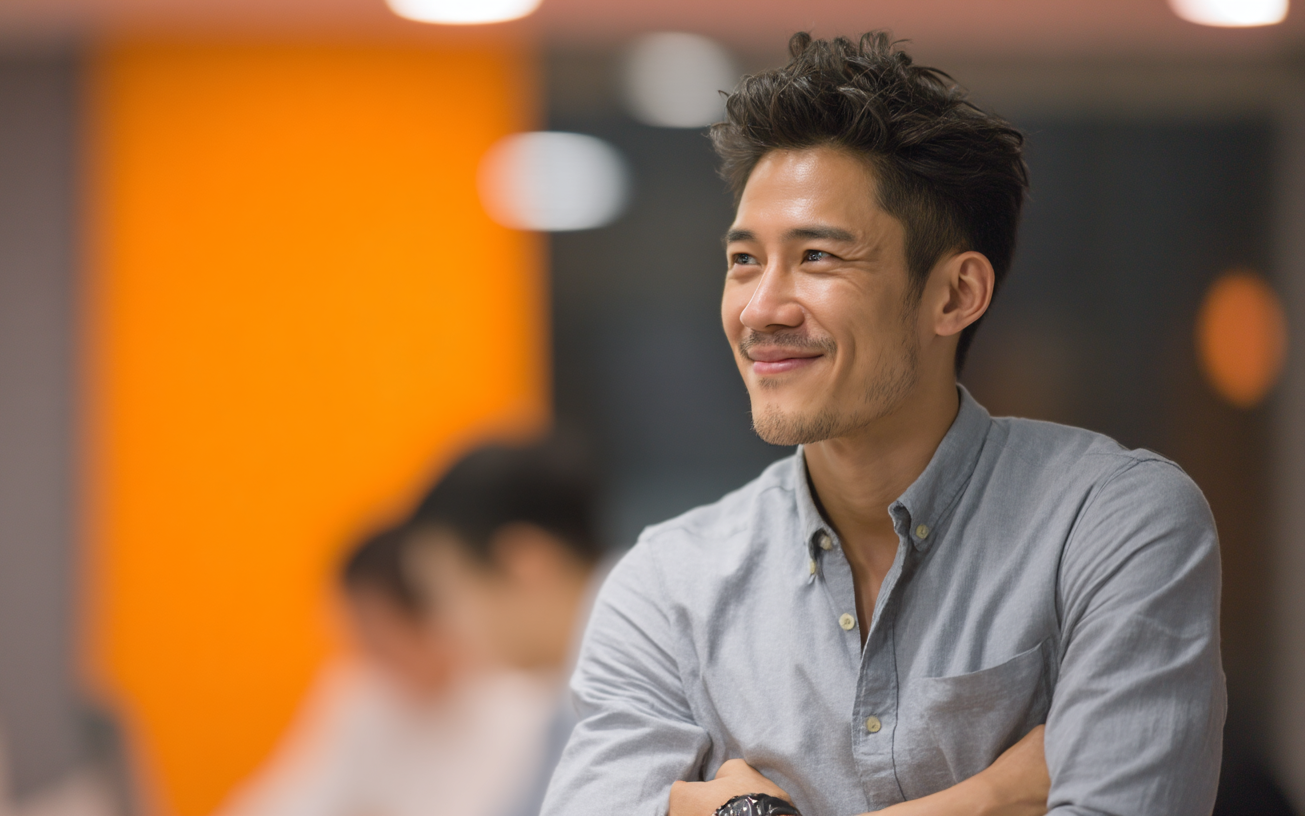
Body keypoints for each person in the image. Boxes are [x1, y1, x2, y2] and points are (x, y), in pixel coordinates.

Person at [539, 32, 1226, 816]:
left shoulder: (1113, 522)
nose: (761, 308)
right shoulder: (669, 586)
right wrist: (992, 796)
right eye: (744, 260)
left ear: (955, 295)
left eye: (818, 257)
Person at [218, 524, 553, 816]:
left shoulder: (523, 702)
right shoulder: (360, 691)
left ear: (432, 618)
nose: (365, 652)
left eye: (378, 636)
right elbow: (286, 798)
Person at [402, 438, 609, 816]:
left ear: (525, 562)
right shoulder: (576, 689)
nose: (444, 627)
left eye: (448, 592)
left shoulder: (642, 670)